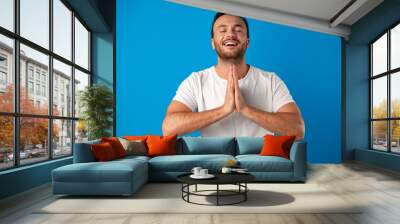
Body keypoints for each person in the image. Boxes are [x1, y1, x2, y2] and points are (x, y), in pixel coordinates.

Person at [162, 12, 305, 139]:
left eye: (238, 29)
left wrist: (246, 109)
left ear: (247, 42)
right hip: (214, 167)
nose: (230, 34)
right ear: (213, 43)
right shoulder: (196, 81)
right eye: (222, 30)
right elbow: (169, 128)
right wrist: (224, 110)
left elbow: (298, 129)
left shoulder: (271, 80)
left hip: (259, 166)